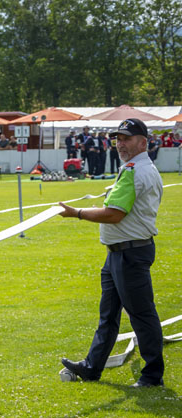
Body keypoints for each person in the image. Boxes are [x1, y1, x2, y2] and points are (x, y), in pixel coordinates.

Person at [58, 118, 165, 388]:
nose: (120, 143)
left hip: (129, 253)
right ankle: (92, 367)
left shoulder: (133, 170)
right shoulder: (139, 168)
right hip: (121, 252)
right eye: (118, 138)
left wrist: (78, 213)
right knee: (108, 315)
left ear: (143, 142)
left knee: (141, 314)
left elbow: (114, 214)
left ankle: (152, 375)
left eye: (127, 138)